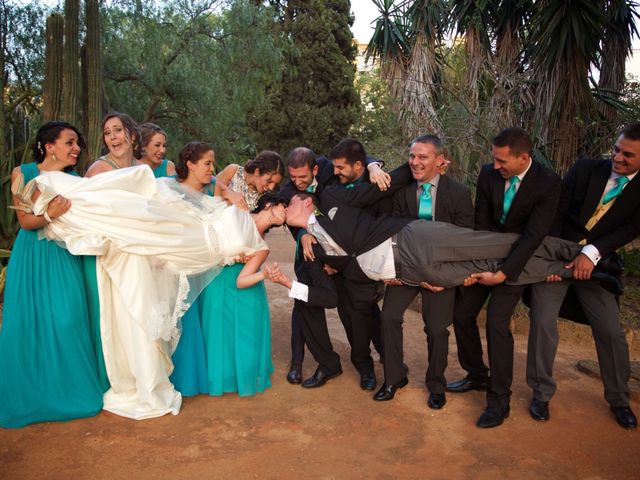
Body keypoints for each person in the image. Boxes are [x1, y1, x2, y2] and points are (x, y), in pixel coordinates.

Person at [25, 160, 288, 417]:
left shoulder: (261, 248)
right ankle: (65, 197)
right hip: (194, 224)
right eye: (282, 204)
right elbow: (212, 195)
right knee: (144, 210)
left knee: (141, 238)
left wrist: (258, 270)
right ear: (272, 205)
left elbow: (241, 279)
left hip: (200, 250)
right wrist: (228, 192)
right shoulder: (238, 205)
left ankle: (70, 213)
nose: (283, 210)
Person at [283, 178, 583, 387]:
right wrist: (289, 279)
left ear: (308, 201)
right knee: (488, 266)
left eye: (290, 203)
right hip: (409, 273)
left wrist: (374, 167)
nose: (285, 208)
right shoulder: (316, 248)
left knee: (494, 246)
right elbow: (340, 281)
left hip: (413, 240)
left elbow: (381, 183)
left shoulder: (333, 206)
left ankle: (573, 252)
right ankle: (566, 268)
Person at [525, 124, 640, 429]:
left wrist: (591, 253)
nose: (618, 157)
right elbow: (557, 213)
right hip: (556, 257)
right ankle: (541, 394)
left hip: (598, 266)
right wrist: (554, 261)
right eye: (617, 149)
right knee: (542, 321)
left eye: (628, 155)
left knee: (611, 332)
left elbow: (628, 229)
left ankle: (618, 398)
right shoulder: (585, 169)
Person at [446, 128, 561, 429]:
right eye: (494, 160)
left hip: (519, 264)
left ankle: (499, 402)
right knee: (461, 313)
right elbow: (482, 222)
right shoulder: (488, 174)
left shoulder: (548, 183)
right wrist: (479, 267)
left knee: (497, 323)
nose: (496, 167)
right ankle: (477, 375)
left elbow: (534, 236)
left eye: (502, 161)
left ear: (524, 158)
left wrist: (502, 273)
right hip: (486, 257)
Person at [0, 121, 103, 428]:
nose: (76, 149)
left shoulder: (76, 180)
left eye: (78, 143)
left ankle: (70, 392)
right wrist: (49, 214)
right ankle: (32, 396)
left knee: (67, 318)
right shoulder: (25, 173)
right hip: (32, 255)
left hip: (64, 256)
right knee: (29, 322)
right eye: (70, 142)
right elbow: (25, 221)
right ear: (49, 145)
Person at [374, 135, 473, 410]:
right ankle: (394, 378)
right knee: (389, 316)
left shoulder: (459, 194)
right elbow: (388, 232)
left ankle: (436, 384)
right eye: (412, 156)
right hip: (404, 269)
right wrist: (391, 271)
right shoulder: (400, 191)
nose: (414, 162)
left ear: (440, 161)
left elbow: (465, 243)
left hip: (440, 272)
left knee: (437, 329)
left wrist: (445, 278)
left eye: (422, 157)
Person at [278, 145, 389, 384]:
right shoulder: (287, 190)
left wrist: (372, 166)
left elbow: (357, 157)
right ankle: (308, 362)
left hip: (343, 253)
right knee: (305, 303)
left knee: (356, 308)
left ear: (316, 168)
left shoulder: (330, 168)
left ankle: (377, 360)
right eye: (293, 176)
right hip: (310, 254)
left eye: (303, 177)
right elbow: (286, 215)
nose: (297, 182)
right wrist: (303, 233)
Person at [200, 151, 285, 396]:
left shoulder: (263, 197)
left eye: (273, 185)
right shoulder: (233, 170)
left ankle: (238, 372)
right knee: (216, 314)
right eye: (268, 180)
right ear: (257, 170)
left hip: (243, 254)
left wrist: (251, 249)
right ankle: (216, 372)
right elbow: (211, 185)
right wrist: (229, 192)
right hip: (217, 250)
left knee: (239, 316)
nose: (268, 187)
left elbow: (257, 226)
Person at [83, 111, 144, 393]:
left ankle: (141, 372)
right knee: (117, 315)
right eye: (107, 133)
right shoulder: (99, 169)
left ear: (131, 135)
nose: (112, 138)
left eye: (117, 131)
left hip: (141, 250)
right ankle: (117, 378)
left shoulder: (141, 167)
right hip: (112, 253)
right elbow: (85, 210)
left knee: (140, 314)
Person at [168, 142, 215, 396]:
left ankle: (195, 377)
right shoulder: (169, 190)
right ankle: (177, 379)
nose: (211, 169)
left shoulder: (211, 192)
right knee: (178, 319)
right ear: (190, 164)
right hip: (175, 268)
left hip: (203, 269)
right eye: (207, 163)